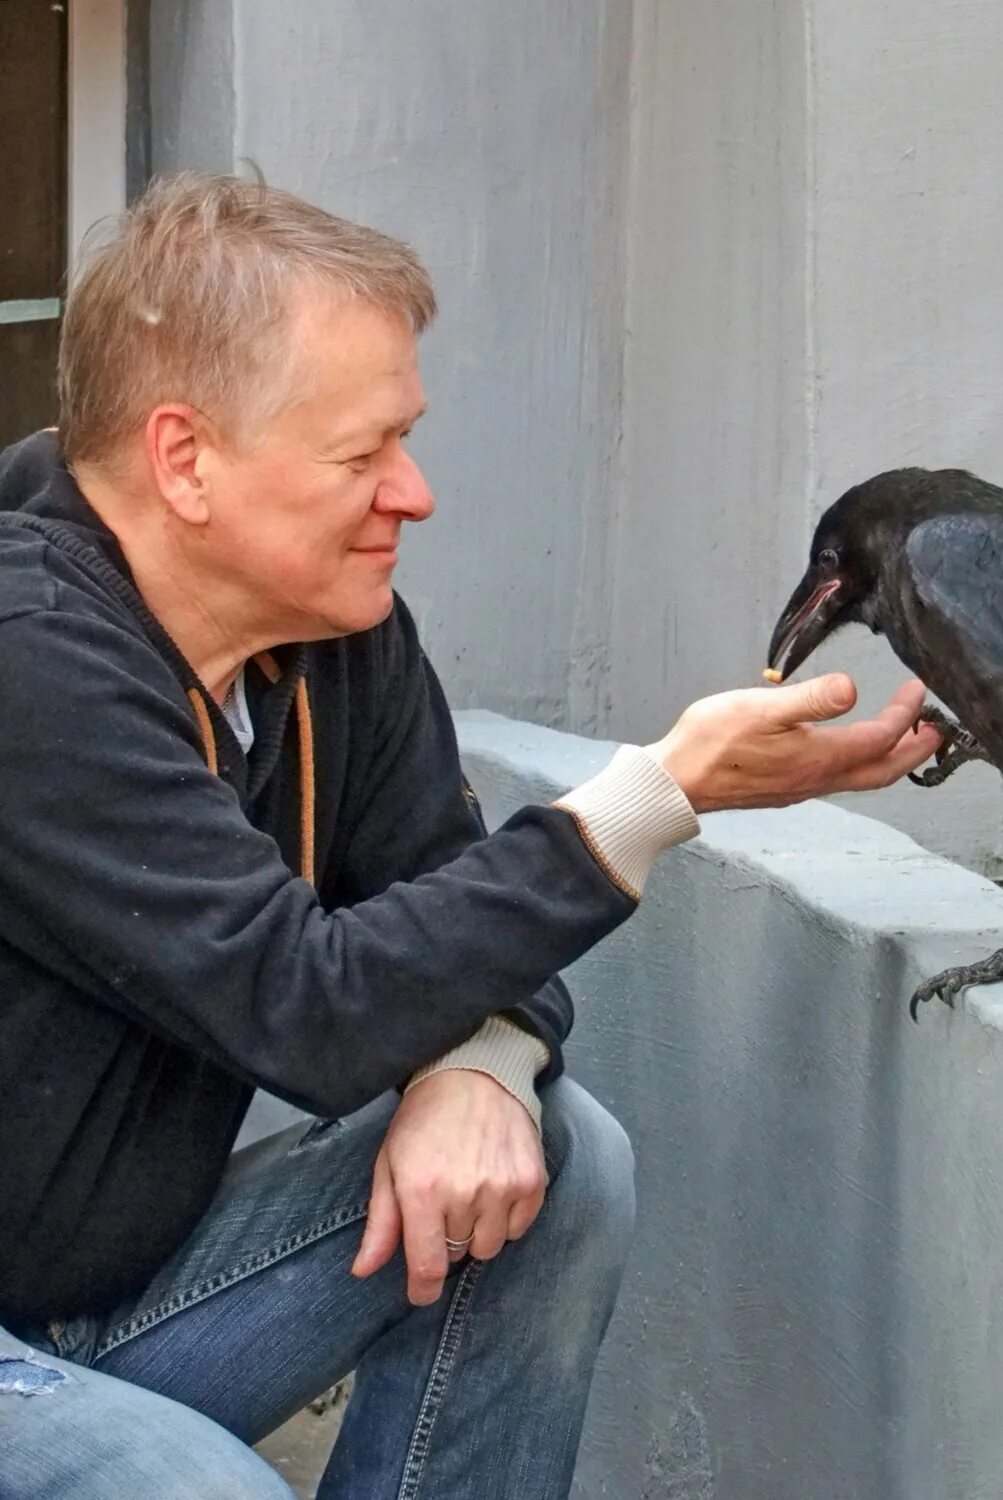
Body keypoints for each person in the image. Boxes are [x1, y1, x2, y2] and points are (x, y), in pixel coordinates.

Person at [0, 173, 941, 1499]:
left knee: (558, 1164)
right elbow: (310, 1007)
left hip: (98, 1301)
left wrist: (476, 1066)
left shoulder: (333, 638)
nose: (415, 493)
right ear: (185, 460)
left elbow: (459, 905)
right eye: (362, 454)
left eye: (407, 439)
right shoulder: (29, 656)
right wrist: (657, 794)